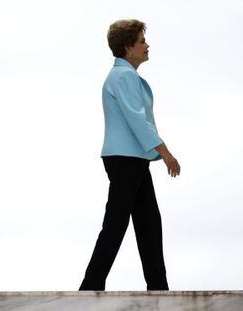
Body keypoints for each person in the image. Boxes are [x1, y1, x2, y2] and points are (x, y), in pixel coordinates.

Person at [79, 19, 180, 291]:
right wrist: (165, 151)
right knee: (117, 223)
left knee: (148, 222)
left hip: (132, 159)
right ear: (128, 48)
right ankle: (90, 286)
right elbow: (137, 119)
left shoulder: (125, 76)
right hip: (125, 159)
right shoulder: (123, 77)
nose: (147, 46)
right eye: (142, 42)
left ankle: (158, 287)